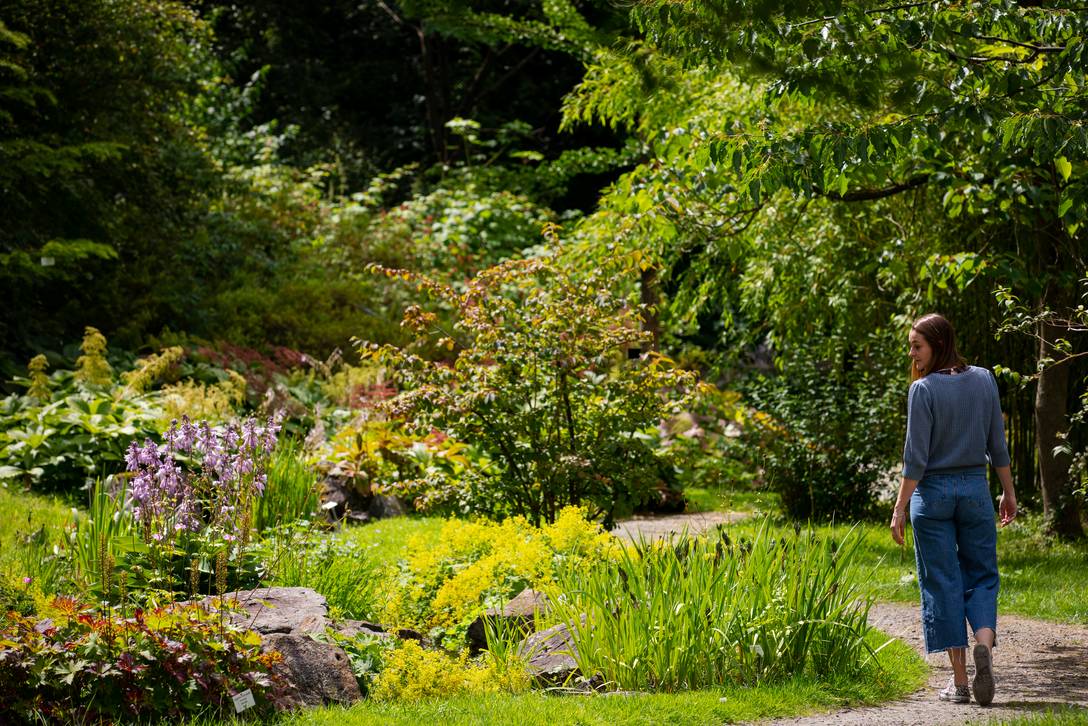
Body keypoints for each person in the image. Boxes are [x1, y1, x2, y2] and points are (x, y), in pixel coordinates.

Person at [889, 313, 1017, 707]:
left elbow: (915, 460)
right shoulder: (983, 379)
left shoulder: (923, 390)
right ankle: (984, 645)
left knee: (942, 583)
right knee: (982, 575)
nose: (912, 354)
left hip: (933, 496)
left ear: (938, 345)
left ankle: (961, 684)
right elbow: (997, 442)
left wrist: (898, 509)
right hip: (976, 490)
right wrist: (1008, 492)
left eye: (917, 346)